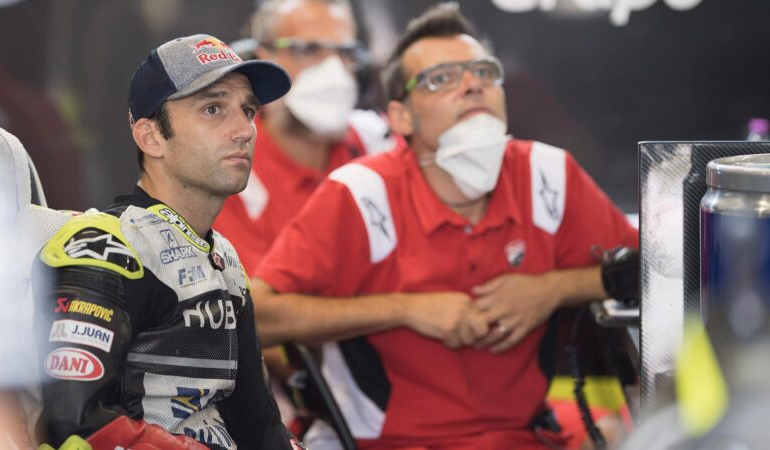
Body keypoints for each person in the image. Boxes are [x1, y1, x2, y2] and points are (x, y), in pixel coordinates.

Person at [251, 3, 638, 449]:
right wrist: (407, 309)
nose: (472, 85)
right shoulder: (360, 194)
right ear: (400, 118)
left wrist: (552, 288)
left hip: (520, 436)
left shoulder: (547, 175)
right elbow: (258, 316)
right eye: (441, 78)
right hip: (385, 442)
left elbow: (649, 272)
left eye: (483, 72)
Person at [32, 34, 304, 450]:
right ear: (151, 137)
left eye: (247, 110)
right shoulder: (105, 248)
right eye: (213, 109)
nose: (244, 131)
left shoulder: (224, 258)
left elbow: (258, 423)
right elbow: (74, 422)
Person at [213, 0, 398, 275]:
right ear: (265, 58)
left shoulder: (377, 139)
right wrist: (408, 307)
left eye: (345, 53)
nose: (334, 71)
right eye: (309, 50)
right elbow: (264, 309)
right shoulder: (233, 169)